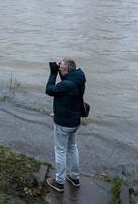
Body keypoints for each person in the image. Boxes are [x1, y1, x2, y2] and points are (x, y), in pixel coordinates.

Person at [44, 58, 86, 192]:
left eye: (61, 67)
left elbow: (49, 90)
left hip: (63, 123)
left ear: (67, 70)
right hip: (75, 122)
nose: (59, 68)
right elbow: (65, 85)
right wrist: (58, 69)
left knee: (60, 151)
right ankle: (74, 178)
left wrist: (52, 73)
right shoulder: (79, 79)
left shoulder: (67, 85)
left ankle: (59, 182)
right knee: (72, 148)